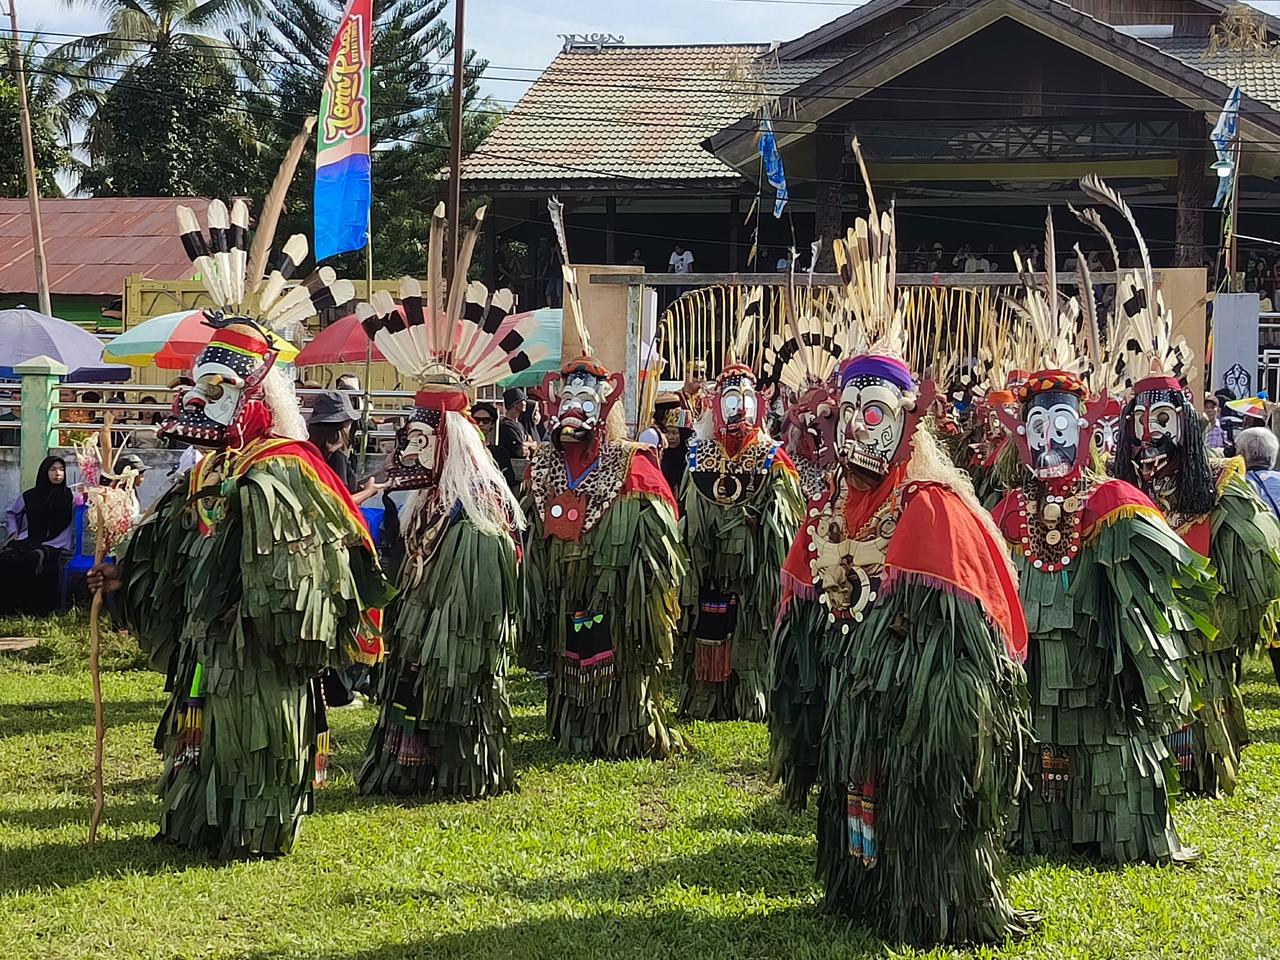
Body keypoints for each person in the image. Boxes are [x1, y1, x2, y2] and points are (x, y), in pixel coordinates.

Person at [770, 163, 1035, 945]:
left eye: (875, 412)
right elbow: (801, 610)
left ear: (908, 422)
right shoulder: (827, 509)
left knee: (915, 807)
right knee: (852, 794)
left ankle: (927, 900)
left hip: (912, 720)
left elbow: (962, 654)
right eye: (848, 409)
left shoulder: (933, 510)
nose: (856, 427)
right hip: (852, 706)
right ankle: (859, 887)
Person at [88, 200, 392, 859]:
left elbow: (307, 593)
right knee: (200, 735)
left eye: (218, 388)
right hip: (205, 651)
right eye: (196, 386)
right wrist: (121, 580)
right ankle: (198, 821)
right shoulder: (208, 473)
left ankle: (254, 828)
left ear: (255, 398)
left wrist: (263, 615)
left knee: (253, 742)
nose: (197, 400)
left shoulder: (284, 473)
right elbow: (167, 560)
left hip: (257, 657)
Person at [993, 208, 1211, 865]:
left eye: (1061, 424)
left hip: (1101, 691)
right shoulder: (1006, 513)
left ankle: (1116, 825)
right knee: (1035, 737)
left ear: (1087, 428)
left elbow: (1153, 616)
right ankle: (1035, 820)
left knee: (1108, 744)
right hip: (1031, 685)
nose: (1048, 440)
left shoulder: (1115, 505)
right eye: (1036, 426)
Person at [1089, 176, 1280, 801]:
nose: (1149, 442)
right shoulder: (1118, 505)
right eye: (1137, 427)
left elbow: (1251, 593)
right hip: (1143, 666)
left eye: (1163, 424)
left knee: (1197, 753)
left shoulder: (1224, 496)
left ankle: (1199, 761)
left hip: (1203, 655)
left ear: (1190, 430)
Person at [354, 209, 530, 799]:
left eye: (420, 441)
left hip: (458, 650)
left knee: (451, 671)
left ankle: (458, 761)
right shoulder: (417, 505)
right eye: (406, 438)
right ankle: (407, 760)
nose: (407, 450)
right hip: (415, 624)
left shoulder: (479, 527)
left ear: (451, 445)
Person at [522, 206, 687, 760]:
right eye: (567, 396)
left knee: (617, 652)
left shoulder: (633, 468)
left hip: (617, 601)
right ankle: (573, 720)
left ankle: (626, 722)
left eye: (585, 398)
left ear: (607, 404)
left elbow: (659, 554)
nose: (574, 407)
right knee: (569, 651)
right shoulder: (542, 468)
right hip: (566, 592)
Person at [677, 354, 803, 721]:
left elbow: (785, 522)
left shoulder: (773, 460)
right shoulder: (698, 456)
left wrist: (760, 530)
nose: (739, 410)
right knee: (708, 622)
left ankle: (750, 696)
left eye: (746, 401)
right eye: (731, 401)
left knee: (750, 627)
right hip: (711, 566)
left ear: (760, 405)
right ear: (716, 406)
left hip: (752, 572)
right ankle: (707, 694)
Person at [0, 456, 76, 615]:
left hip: (56, 544)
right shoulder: (30, 496)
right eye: (53, 469)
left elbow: (94, 499)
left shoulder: (71, 496)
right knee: (7, 559)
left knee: (36, 559)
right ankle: (10, 607)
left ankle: (37, 609)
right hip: (29, 539)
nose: (58, 474)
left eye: (61, 469)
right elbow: (11, 512)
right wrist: (14, 532)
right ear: (44, 472)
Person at [307, 391, 386, 506]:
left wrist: (366, 486)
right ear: (343, 425)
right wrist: (368, 491)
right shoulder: (337, 457)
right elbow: (340, 503)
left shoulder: (310, 453)